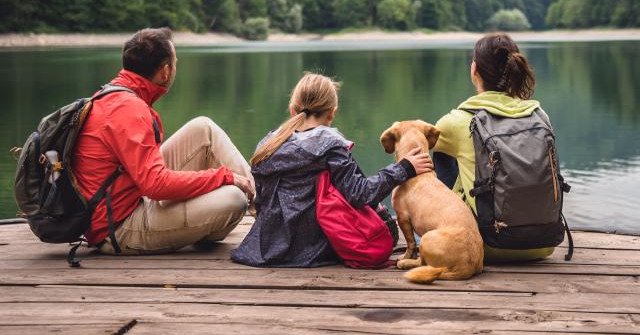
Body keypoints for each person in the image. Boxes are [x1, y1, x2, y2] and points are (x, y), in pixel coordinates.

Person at [73, 27, 255, 254]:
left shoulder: (114, 94)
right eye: (176, 62)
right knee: (233, 199)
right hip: (118, 227)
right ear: (165, 71)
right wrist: (223, 177)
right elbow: (156, 185)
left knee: (203, 128)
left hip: (129, 196)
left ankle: (264, 204)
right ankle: (265, 210)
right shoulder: (130, 109)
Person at [231, 73, 433, 267]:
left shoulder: (268, 143)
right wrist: (403, 168)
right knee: (385, 225)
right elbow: (360, 194)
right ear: (332, 113)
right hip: (313, 248)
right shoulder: (330, 145)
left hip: (266, 246)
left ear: (293, 110)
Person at [432, 33, 555, 262]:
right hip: (544, 243)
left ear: (474, 70)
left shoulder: (457, 121)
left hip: (484, 245)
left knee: (440, 150)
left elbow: (418, 149)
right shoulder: (540, 115)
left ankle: (440, 230)